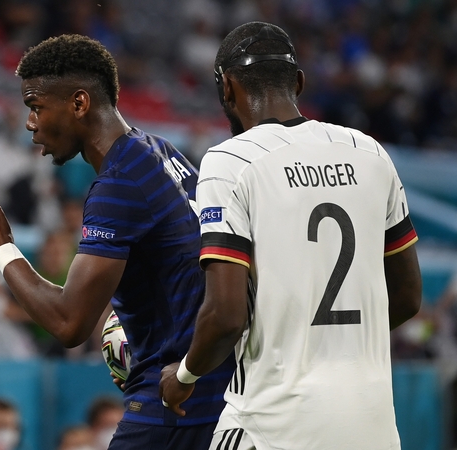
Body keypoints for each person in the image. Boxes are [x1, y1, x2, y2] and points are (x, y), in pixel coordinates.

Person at [158, 22, 422, 450]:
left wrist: (183, 376)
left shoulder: (231, 161)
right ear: (298, 81)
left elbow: (225, 316)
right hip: (374, 425)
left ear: (226, 88)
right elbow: (408, 297)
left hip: (272, 423)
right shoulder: (370, 152)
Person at [0, 34, 235, 449]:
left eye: (36, 107)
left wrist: (1, 249)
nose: (30, 123)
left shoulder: (119, 184)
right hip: (214, 389)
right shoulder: (159, 150)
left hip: (174, 402)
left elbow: (69, 323)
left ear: (79, 104)